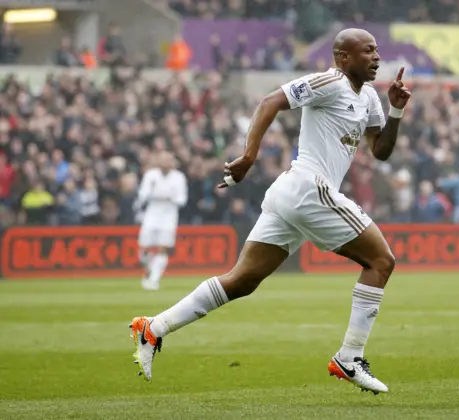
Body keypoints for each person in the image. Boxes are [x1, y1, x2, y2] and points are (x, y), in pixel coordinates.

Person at [129, 28, 411, 394]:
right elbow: (269, 102)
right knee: (381, 262)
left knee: (241, 281)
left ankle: (153, 328)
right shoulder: (329, 81)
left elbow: (381, 150)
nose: (375, 57)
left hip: (292, 194)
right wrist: (249, 155)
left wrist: (397, 110)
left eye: (377, 51)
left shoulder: (371, 99)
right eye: (367, 51)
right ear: (343, 57)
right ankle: (350, 357)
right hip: (310, 188)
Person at [135, 151, 188, 290]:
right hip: (151, 215)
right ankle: (148, 271)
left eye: (168, 160)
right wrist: (154, 194)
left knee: (163, 248)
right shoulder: (150, 175)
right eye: (163, 160)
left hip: (169, 216)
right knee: (144, 249)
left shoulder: (179, 177)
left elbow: (182, 199)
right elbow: (142, 195)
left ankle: (154, 279)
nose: (165, 163)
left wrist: (169, 197)